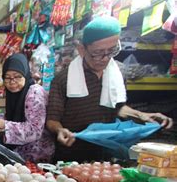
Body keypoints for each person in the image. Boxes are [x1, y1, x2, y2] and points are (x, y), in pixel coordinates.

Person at [47, 16, 174, 162]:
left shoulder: (117, 73)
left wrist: (142, 116)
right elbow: (52, 119)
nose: (105, 58)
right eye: (97, 53)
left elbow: (117, 107)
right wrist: (59, 130)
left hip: (105, 151)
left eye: (111, 51)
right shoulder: (63, 78)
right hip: (71, 151)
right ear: (82, 49)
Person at [0, 53, 55, 163]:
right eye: (7, 77)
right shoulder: (15, 93)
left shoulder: (34, 93)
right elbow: (16, 117)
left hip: (38, 155)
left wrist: (4, 124)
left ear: (25, 74)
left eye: (17, 76)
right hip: (23, 152)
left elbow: (34, 130)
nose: (12, 82)